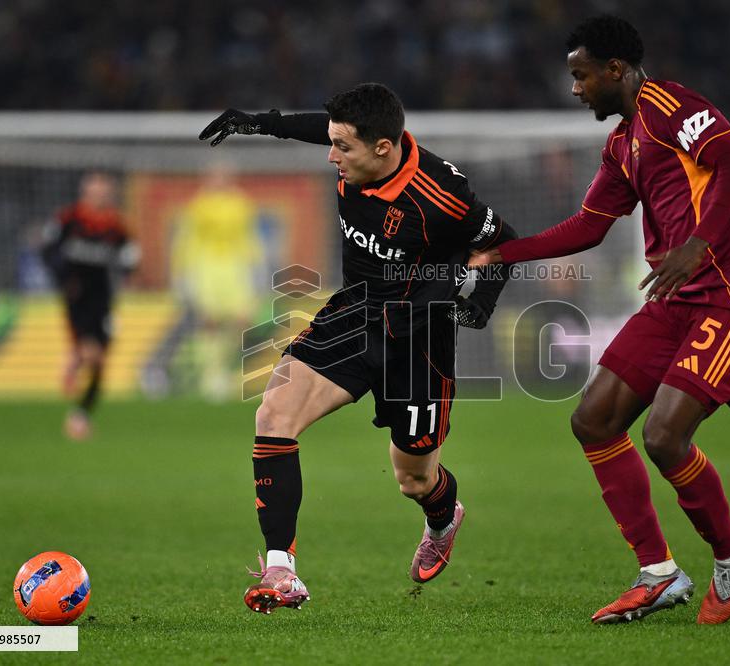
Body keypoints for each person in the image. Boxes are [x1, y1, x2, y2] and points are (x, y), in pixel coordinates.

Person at [471, 16, 730, 625]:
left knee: (665, 437)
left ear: (614, 69)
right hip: (674, 298)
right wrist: (502, 253)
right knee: (593, 420)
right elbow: (588, 227)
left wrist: (698, 244)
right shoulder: (623, 144)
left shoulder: (671, 106)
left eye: (581, 75)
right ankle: (659, 572)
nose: (575, 88)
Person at [199, 83, 517, 613]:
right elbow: (317, 131)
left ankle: (443, 518)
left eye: (342, 147)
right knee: (274, 412)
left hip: (420, 336)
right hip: (354, 315)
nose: (331, 156)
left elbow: (500, 240)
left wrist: (480, 303)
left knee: (414, 478)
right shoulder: (356, 155)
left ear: (383, 149)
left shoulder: (441, 194)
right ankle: (281, 570)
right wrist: (259, 121)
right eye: (332, 143)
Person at [42, 172, 139, 440]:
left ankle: (80, 415)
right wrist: (62, 279)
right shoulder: (68, 219)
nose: (100, 196)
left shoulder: (116, 225)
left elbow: (130, 255)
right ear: (85, 192)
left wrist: (129, 272)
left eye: (104, 192)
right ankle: (76, 360)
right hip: (76, 297)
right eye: (95, 191)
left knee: (100, 364)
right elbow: (48, 249)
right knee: (92, 354)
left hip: (104, 299)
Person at [172, 162, 265, 400]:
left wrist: (258, 267)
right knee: (210, 322)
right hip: (206, 266)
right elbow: (187, 239)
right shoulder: (198, 205)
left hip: (235, 266)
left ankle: (221, 368)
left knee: (241, 319)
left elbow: (249, 236)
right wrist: (181, 274)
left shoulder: (241, 203)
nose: (219, 181)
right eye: (214, 176)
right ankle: (210, 375)